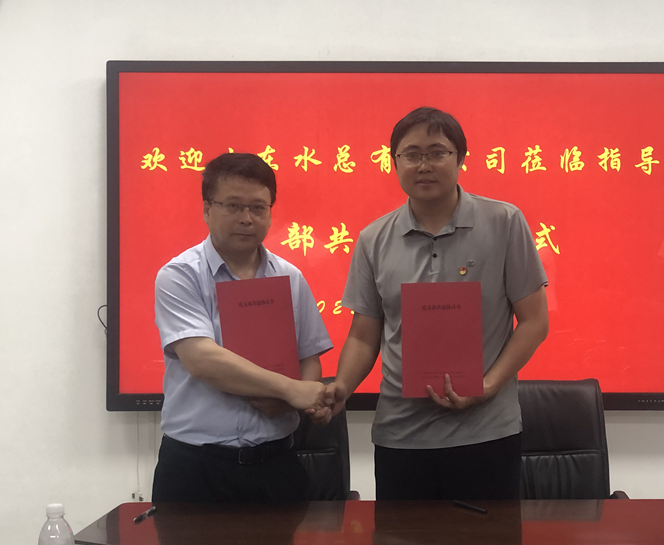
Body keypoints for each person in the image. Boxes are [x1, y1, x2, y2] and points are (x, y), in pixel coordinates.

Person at [321, 107, 549, 500]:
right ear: (394, 162)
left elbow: (534, 322)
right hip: (401, 435)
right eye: (411, 154)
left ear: (460, 159)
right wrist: (342, 386)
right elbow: (363, 335)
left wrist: (487, 386)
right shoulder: (373, 239)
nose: (424, 165)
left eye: (437, 152)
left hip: (486, 432)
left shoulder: (505, 222)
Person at [152, 152, 333, 503]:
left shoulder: (290, 277)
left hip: (276, 464)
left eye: (258, 208)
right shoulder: (180, 275)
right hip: (196, 468)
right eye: (233, 206)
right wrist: (290, 390)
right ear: (207, 209)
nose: (246, 218)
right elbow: (202, 359)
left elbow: (309, 358)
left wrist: (294, 401)